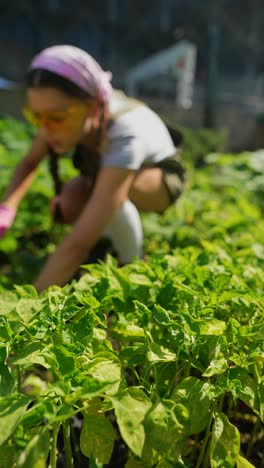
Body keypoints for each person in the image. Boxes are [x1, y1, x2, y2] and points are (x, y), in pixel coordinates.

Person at [0, 45, 185, 292]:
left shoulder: (127, 132)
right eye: (36, 117)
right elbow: (29, 162)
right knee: (67, 206)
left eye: (56, 118)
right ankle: (106, 235)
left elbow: (77, 246)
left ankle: (133, 268)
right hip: (102, 175)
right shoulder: (58, 116)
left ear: (95, 106)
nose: (45, 130)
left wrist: (31, 308)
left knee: (110, 199)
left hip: (159, 178)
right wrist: (7, 208)